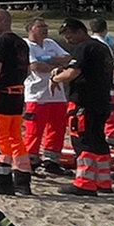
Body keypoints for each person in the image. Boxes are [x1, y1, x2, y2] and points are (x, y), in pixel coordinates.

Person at [54, 18, 114, 196]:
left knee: (82, 141)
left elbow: (73, 73)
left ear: (80, 31)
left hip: (84, 102)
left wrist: (55, 78)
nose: (68, 40)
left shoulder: (84, 47)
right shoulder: (102, 47)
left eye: (70, 35)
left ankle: (84, 183)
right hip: (101, 101)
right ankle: (103, 181)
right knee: (99, 141)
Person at [0, 8, 33, 198]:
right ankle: (23, 180)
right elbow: (27, 70)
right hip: (17, 97)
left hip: (0, 97)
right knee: (16, 138)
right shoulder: (21, 43)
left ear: (3, 21)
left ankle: (2, 181)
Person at [23, 18, 69, 176]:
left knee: (57, 129)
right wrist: (57, 66)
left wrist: (49, 60)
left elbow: (68, 58)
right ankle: (31, 161)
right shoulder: (26, 45)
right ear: (30, 29)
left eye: (45, 26)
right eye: (40, 26)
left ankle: (51, 160)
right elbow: (36, 67)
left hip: (57, 94)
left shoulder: (50, 43)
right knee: (34, 130)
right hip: (36, 95)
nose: (45, 29)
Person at [90, 16, 114, 144]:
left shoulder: (89, 42)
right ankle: (108, 139)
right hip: (104, 83)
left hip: (93, 84)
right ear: (105, 29)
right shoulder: (103, 45)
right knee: (112, 113)